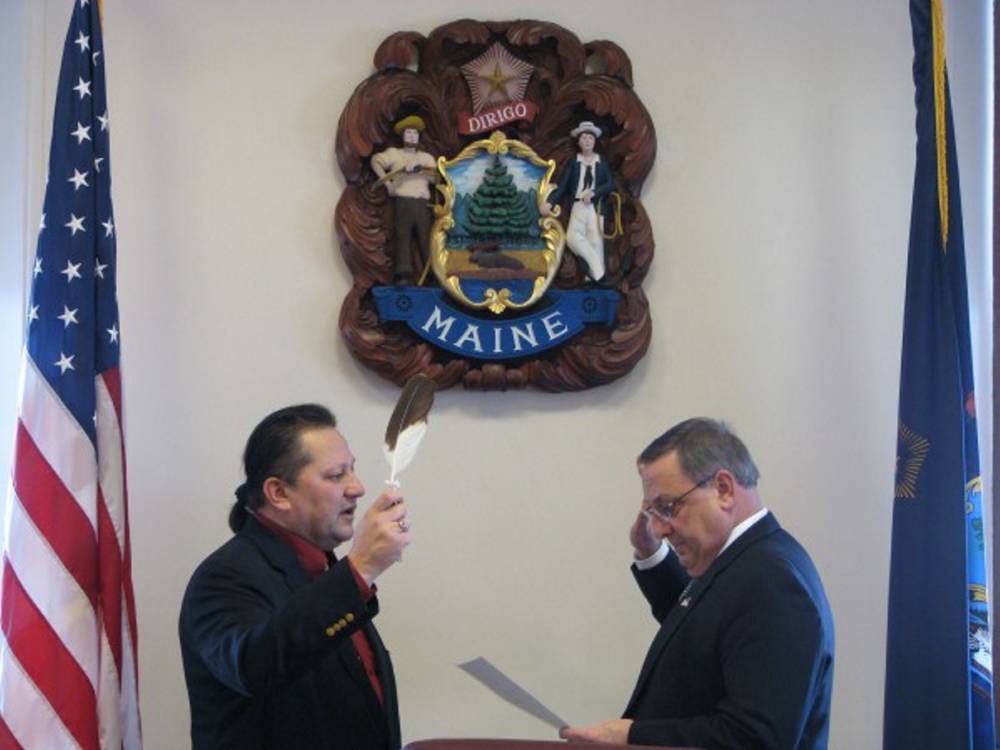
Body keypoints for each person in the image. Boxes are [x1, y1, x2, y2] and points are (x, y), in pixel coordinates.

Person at [561, 418, 834, 749]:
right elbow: (700, 632)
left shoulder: (772, 582)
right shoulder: (746, 562)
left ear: (723, 489)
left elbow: (757, 739)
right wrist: (650, 554)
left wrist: (629, 735)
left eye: (668, 507)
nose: (661, 528)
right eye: (653, 511)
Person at [179, 404, 411, 750]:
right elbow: (254, 667)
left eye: (353, 471)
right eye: (336, 475)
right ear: (279, 493)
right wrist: (360, 568)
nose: (357, 488)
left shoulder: (325, 572)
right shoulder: (223, 577)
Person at [541, 120, 614, 282]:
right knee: (572, 237)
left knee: (595, 241)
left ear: (595, 141)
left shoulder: (601, 162)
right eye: (584, 138)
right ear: (579, 141)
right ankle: (599, 272)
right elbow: (563, 185)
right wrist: (550, 202)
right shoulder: (574, 163)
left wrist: (594, 193)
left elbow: (610, 184)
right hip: (578, 205)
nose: (587, 141)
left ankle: (591, 278)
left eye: (590, 138)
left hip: (596, 207)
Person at [371, 115, 438, 286]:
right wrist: (388, 184)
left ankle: (433, 274)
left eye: (415, 133)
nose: (412, 136)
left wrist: (419, 171)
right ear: (402, 135)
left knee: (426, 238)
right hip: (403, 202)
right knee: (403, 236)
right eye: (408, 132)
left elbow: (435, 178)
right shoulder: (394, 154)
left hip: (422, 204)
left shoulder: (426, 158)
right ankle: (404, 275)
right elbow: (376, 161)